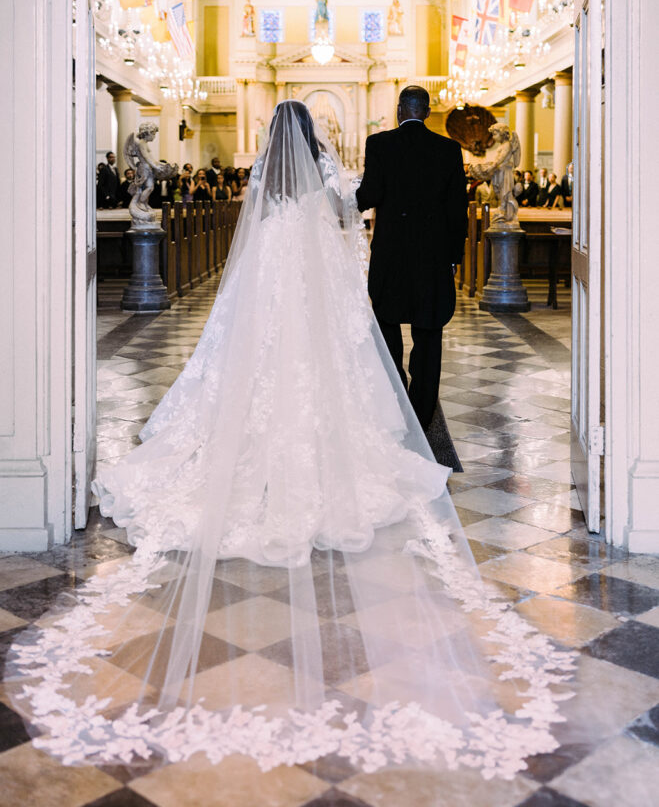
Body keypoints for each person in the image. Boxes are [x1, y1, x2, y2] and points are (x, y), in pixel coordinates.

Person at [6, 100, 576, 783]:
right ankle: (382, 431)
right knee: (354, 366)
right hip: (321, 300)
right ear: (312, 140)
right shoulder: (328, 182)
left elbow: (270, 260)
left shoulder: (262, 192)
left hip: (273, 304)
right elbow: (345, 221)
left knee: (255, 375)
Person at [356, 85, 468, 432]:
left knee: (388, 323)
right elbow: (457, 209)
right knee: (429, 332)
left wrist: (343, 199)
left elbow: (369, 195)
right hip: (433, 259)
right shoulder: (448, 149)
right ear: (428, 113)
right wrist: (453, 257)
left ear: (400, 110)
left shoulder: (380, 144)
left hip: (391, 256)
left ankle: (396, 399)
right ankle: (422, 413)